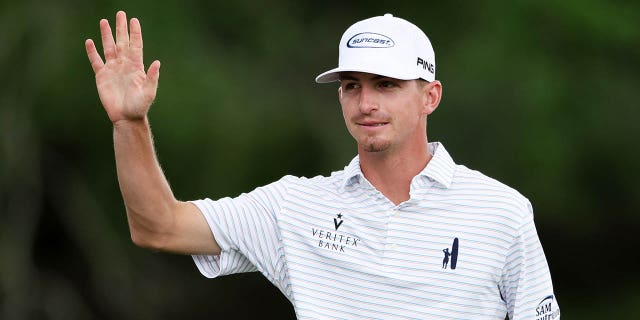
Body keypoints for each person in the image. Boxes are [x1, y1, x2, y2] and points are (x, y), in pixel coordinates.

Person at [85, 11, 560, 320]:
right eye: (351, 85)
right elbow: (159, 226)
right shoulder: (296, 206)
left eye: (386, 84)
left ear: (429, 96)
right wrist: (130, 121)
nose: (365, 102)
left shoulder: (502, 212)